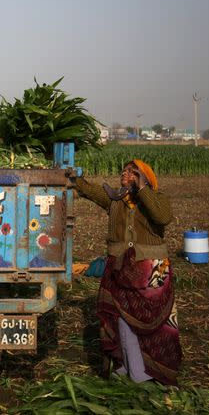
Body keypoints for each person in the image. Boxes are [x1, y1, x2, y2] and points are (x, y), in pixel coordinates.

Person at [74, 160, 182, 385]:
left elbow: (162, 217)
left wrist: (142, 189)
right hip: (120, 269)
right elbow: (93, 192)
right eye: (124, 171)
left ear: (145, 177)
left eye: (133, 172)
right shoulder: (116, 200)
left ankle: (154, 370)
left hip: (152, 270)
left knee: (156, 323)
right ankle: (130, 369)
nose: (126, 174)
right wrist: (76, 181)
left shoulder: (157, 199)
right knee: (120, 318)